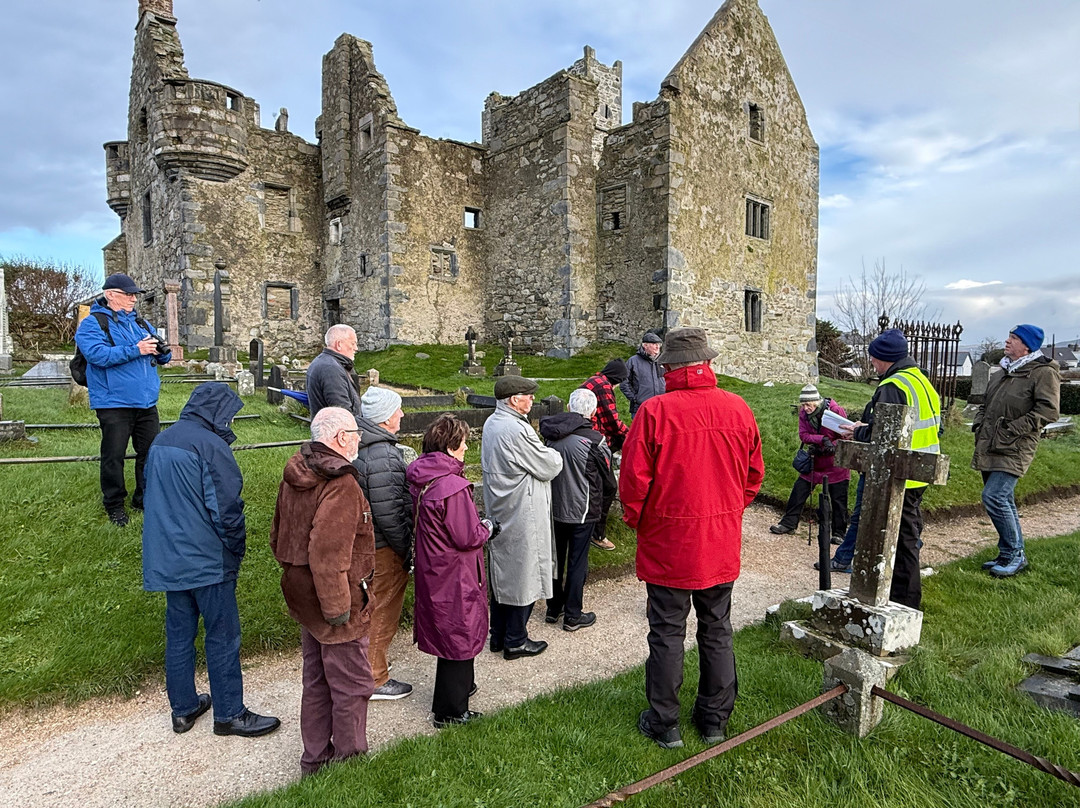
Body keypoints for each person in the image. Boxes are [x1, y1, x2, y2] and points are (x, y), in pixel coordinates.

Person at [620, 328, 763, 748]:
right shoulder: (738, 409)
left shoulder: (654, 412)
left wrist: (640, 522)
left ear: (668, 369)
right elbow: (753, 477)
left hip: (670, 541)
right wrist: (728, 510)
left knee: (666, 631)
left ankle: (665, 723)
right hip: (717, 540)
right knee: (716, 628)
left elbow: (633, 485)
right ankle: (714, 720)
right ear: (708, 365)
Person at [142, 382, 280, 738]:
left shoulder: (161, 440)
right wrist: (236, 549)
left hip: (168, 556)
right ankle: (230, 713)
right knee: (222, 636)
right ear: (216, 411)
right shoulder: (211, 446)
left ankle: (184, 708)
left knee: (179, 635)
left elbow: (149, 497)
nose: (231, 421)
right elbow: (227, 509)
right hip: (206, 559)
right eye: (229, 414)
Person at [270, 407, 376, 775]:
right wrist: (337, 609)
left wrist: (293, 575)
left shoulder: (296, 469)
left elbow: (278, 534)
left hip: (301, 592)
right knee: (351, 682)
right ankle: (350, 763)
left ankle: (315, 760)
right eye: (355, 432)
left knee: (316, 678)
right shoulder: (340, 482)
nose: (359, 438)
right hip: (335, 597)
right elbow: (327, 553)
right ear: (339, 438)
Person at [837, 329, 941, 610]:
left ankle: (904, 600)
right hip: (919, 468)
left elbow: (885, 435)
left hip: (897, 473)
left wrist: (858, 432)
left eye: (873, 359)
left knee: (900, 537)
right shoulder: (920, 380)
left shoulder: (894, 385)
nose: (872, 364)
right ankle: (899, 592)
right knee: (907, 531)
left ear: (884, 358)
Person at [407, 414, 497, 728]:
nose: (467, 449)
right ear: (450, 445)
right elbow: (466, 536)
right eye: (463, 443)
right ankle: (449, 711)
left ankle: (462, 687)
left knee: (451, 628)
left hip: (434, 566)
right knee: (459, 630)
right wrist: (487, 527)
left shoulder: (422, 477)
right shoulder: (452, 486)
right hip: (454, 571)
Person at [75, 273, 171, 526]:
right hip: (113, 402)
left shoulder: (140, 322)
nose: (133, 299)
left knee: (149, 452)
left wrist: (162, 352)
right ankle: (114, 504)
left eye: (135, 295)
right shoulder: (92, 323)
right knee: (113, 455)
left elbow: (161, 356)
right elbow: (98, 355)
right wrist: (136, 349)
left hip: (146, 401)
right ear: (110, 295)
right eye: (127, 294)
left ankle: (144, 497)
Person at [481, 375, 564, 660]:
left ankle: (498, 635)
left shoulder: (493, 422)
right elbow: (548, 465)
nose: (532, 400)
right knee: (523, 573)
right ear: (514, 399)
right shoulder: (516, 430)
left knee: (503, 572)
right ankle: (516, 640)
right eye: (527, 396)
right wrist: (555, 454)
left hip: (501, 505)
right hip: (521, 509)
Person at [972, 324, 1060, 578]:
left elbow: (1048, 410)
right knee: (1003, 499)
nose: (1007, 341)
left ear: (1027, 346)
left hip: (1016, 445)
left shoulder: (1043, 372)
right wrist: (979, 423)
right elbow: (985, 404)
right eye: (1009, 337)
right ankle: (1007, 552)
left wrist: (1013, 429)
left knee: (995, 496)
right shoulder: (1001, 372)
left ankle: (1016, 554)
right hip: (990, 443)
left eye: (1014, 338)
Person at [353, 386, 414, 700]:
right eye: (398, 410)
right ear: (385, 418)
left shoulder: (366, 445)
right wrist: (406, 550)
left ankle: (365, 671)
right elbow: (390, 512)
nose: (402, 415)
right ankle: (374, 679)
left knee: (372, 608)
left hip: (369, 544)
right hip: (384, 548)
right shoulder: (384, 455)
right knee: (382, 611)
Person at [539, 388, 617, 631]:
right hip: (583, 509)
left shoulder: (551, 435)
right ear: (593, 412)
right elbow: (608, 481)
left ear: (571, 408)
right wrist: (601, 522)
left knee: (556, 558)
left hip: (553, 506)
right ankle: (573, 615)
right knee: (577, 561)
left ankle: (554, 608)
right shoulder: (595, 440)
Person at [769, 384, 850, 540]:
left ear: (817, 401)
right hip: (815, 460)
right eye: (803, 404)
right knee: (799, 491)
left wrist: (831, 446)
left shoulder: (835, 411)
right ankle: (788, 523)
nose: (805, 408)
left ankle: (839, 533)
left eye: (808, 404)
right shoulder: (803, 414)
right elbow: (803, 435)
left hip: (835, 462)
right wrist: (822, 440)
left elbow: (846, 434)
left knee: (838, 498)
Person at [580, 358, 630, 550]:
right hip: (593, 442)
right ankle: (597, 533)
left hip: (587, 437)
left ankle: (592, 530)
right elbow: (612, 420)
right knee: (608, 487)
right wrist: (631, 435)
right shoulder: (603, 386)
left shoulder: (596, 380)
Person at [306, 324, 362, 420]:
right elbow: (343, 413)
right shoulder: (330, 369)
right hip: (337, 432)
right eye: (353, 343)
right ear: (339, 344)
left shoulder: (327, 362)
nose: (356, 348)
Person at [620, 331, 665, 419]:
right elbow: (623, 382)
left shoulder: (663, 361)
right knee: (641, 432)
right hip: (640, 407)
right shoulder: (633, 361)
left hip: (661, 406)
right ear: (645, 345)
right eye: (654, 344)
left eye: (659, 344)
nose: (657, 347)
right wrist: (635, 398)